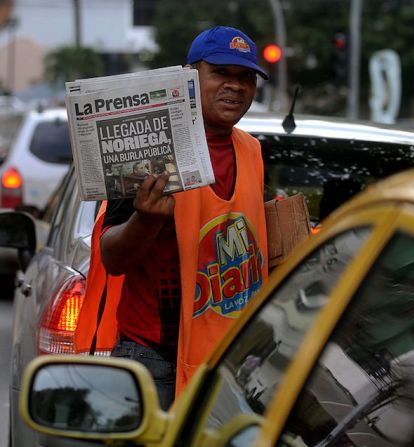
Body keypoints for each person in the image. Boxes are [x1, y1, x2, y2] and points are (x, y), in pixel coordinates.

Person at [74, 25, 270, 411]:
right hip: (155, 361)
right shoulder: (151, 147)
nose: (236, 87)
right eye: (221, 74)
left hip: (232, 364)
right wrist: (145, 221)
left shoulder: (252, 151)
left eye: (246, 77)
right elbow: (112, 257)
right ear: (189, 76)